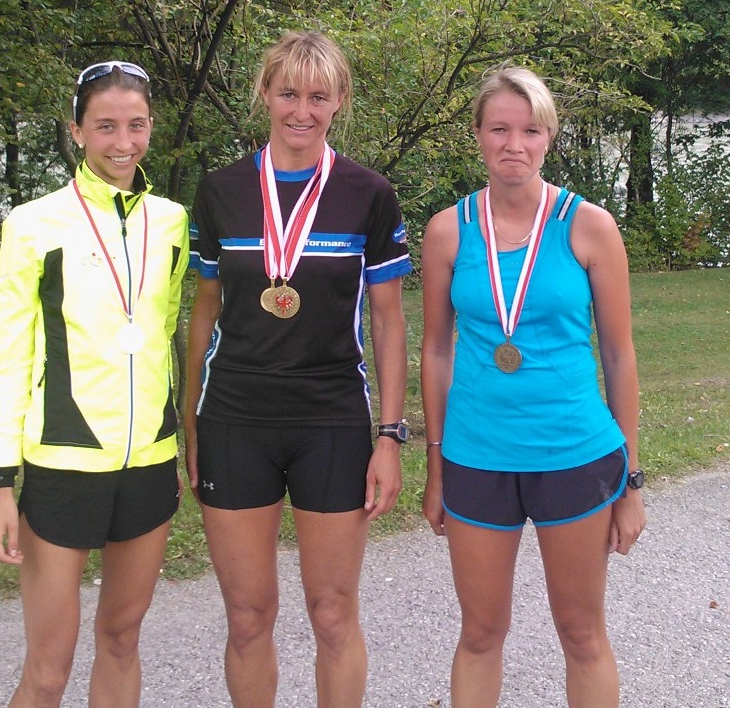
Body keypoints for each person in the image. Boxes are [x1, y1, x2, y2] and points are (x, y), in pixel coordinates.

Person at [184, 31, 412, 708]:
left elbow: (389, 322)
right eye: (288, 93)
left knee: (333, 613)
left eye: (318, 96)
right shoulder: (221, 191)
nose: (302, 111)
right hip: (234, 420)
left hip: (331, 420)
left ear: (340, 100)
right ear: (265, 94)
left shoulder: (369, 195)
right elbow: (203, 312)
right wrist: (189, 423)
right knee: (248, 617)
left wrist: (390, 437)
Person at [420, 63, 647, 707]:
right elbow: (435, 350)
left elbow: (619, 355)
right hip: (476, 457)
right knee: (479, 634)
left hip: (573, 455)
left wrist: (631, 482)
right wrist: (435, 468)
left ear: (548, 136)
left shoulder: (589, 225)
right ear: (477, 134)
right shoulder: (448, 231)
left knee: (582, 634)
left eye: (530, 130)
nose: (514, 144)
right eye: (499, 129)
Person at [0, 61, 189, 708]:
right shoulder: (31, 224)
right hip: (63, 464)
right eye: (105, 126)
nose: (123, 142)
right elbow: (10, 358)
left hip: (149, 463)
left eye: (136, 125)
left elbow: (165, 334)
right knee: (49, 671)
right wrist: (1, 482)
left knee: (122, 640)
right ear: (76, 131)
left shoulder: (173, 222)